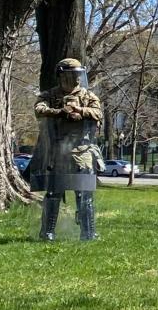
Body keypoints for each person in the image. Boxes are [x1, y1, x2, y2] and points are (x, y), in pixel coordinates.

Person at [31, 58, 104, 241]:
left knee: (84, 194)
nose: (76, 78)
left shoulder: (88, 96)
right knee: (54, 192)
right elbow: (39, 109)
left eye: (78, 74)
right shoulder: (50, 95)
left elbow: (98, 113)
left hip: (83, 150)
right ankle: (47, 232)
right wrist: (60, 112)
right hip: (58, 150)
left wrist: (80, 111)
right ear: (62, 76)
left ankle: (88, 233)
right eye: (72, 74)